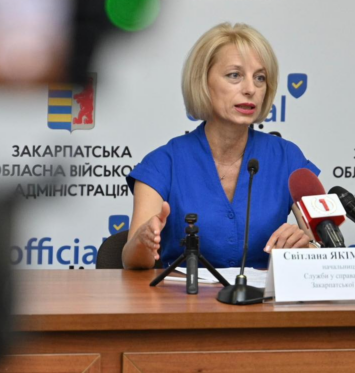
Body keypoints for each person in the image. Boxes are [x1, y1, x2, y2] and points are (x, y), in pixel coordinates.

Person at [122, 23, 320, 270]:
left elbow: (326, 246)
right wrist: (143, 241)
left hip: (263, 294)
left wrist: (305, 248)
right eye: (234, 75)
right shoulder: (163, 163)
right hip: (183, 294)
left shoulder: (287, 158)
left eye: (260, 78)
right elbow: (132, 261)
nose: (250, 89)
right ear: (203, 82)